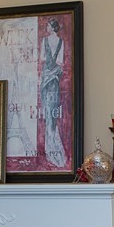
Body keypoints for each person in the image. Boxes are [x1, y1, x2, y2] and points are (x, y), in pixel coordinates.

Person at [40, 18, 67, 168]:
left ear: (53, 27)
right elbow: (61, 63)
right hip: (55, 76)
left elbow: (43, 59)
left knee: (48, 111)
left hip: (47, 77)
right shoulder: (60, 42)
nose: (47, 27)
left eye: (48, 25)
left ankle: (51, 148)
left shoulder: (44, 41)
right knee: (51, 111)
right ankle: (51, 148)